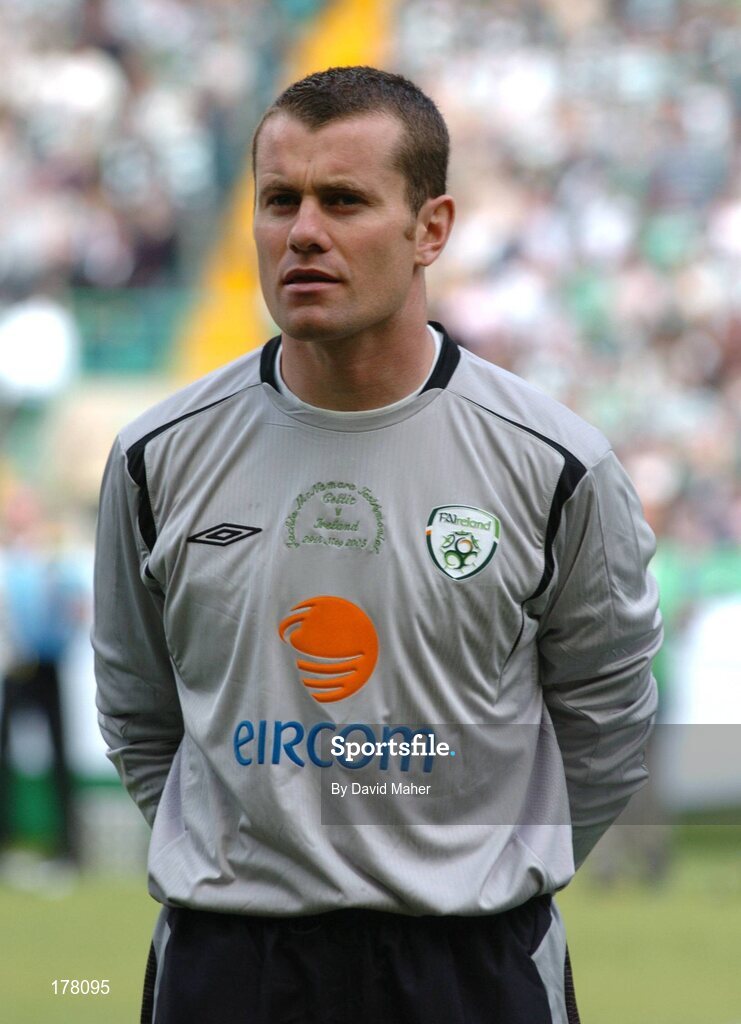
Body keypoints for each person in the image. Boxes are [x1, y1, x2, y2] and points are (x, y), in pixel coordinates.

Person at [92, 66, 662, 1024]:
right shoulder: (157, 456)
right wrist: (257, 864)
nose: (303, 231)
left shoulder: (557, 462)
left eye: (344, 200)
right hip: (231, 966)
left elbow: (605, 721)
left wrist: (470, 870)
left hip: (470, 968)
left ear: (429, 228)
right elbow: (139, 711)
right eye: (280, 200)